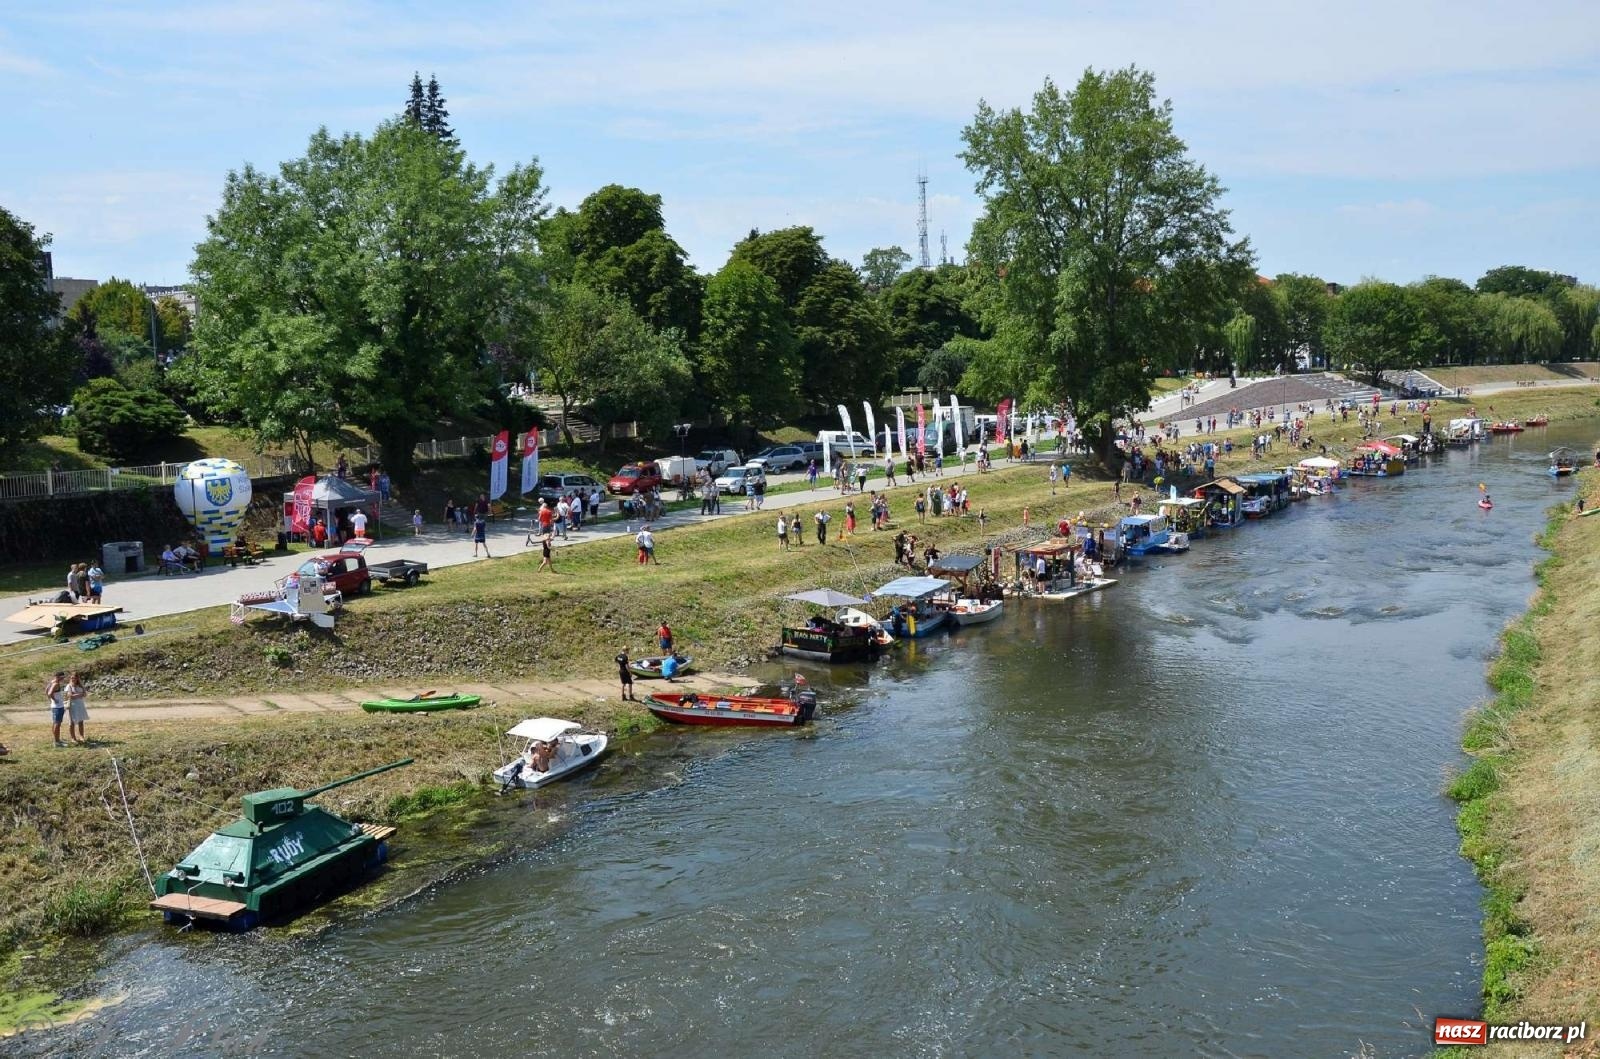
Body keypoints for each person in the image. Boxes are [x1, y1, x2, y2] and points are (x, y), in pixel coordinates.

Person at [66, 671, 88, 745]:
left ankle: (81, 736)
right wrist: (80, 694)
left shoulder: (80, 685)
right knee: (72, 722)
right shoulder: (69, 686)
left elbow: (85, 694)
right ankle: (73, 738)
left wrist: (77, 694)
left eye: (74, 678)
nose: (73, 679)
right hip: (72, 705)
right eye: (72, 678)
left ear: (77, 678)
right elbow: (70, 696)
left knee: (81, 720)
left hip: (80, 704)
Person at [46, 671, 67, 747]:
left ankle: (57, 739)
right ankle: (57, 742)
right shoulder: (56, 684)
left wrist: (51, 700)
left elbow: (46, 691)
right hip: (58, 706)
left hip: (55, 706)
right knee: (57, 724)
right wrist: (55, 700)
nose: (63, 679)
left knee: (55, 723)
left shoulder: (51, 682)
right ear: (58, 677)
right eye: (62, 677)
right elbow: (49, 693)